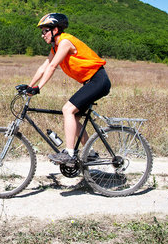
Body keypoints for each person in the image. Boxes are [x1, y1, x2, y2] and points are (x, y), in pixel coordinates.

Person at [26, 13, 111, 165]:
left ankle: (69, 154)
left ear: (55, 30)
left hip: (98, 80)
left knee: (67, 110)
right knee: (75, 118)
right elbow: (44, 66)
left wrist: (39, 87)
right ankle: (90, 154)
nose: (42, 35)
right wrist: (29, 86)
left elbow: (52, 67)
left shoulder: (65, 42)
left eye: (45, 31)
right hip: (90, 82)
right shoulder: (56, 47)